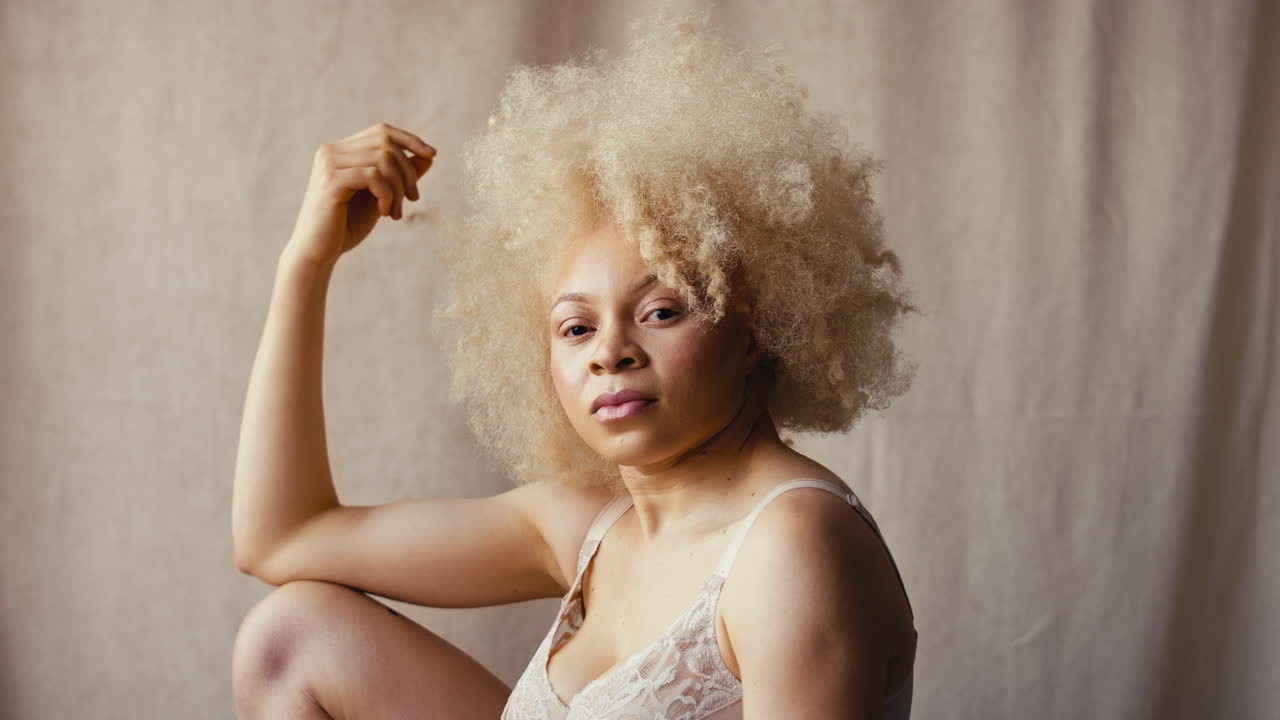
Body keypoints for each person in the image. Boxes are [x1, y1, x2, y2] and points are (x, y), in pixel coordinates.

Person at [231, 7, 919, 719]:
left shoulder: (792, 548)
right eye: (576, 327)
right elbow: (284, 541)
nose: (610, 353)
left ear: (753, 330)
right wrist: (305, 266)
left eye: (662, 311)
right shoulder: (591, 523)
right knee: (292, 636)